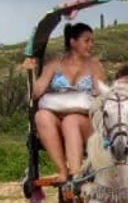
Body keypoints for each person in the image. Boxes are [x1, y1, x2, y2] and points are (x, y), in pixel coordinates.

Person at [29, 22, 106, 183]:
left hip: (85, 121)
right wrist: (30, 72)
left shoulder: (95, 66)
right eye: (87, 41)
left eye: (92, 41)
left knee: (71, 121)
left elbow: (101, 95)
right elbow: (36, 92)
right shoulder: (54, 64)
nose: (91, 45)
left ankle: (76, 173)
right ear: (73, 42)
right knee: (42, 116)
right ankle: (62, 170)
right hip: (58, 118)